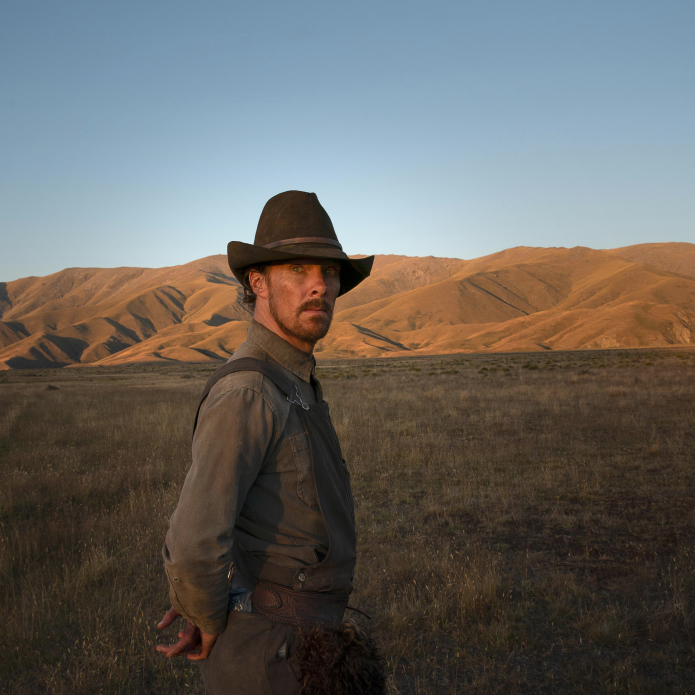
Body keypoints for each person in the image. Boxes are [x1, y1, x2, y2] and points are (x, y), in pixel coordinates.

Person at [156, 191, 383, 694]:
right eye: (299, 270)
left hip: (303, 646)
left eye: (329, 273)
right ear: (257, 282)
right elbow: (194, 543)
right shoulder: (249, 390)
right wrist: (208, 615)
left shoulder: (294, 379)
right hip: (268, 661)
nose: (319, 286)